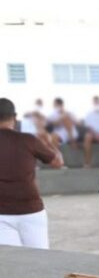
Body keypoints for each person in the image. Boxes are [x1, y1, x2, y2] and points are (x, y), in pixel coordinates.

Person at [0, 98, 64, 249]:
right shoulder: (28, 140)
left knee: (11, 264)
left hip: (1, 213)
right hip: (30, 209)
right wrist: (49, 142)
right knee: (39, 261)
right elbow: (58, 163)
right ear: (15, 117)